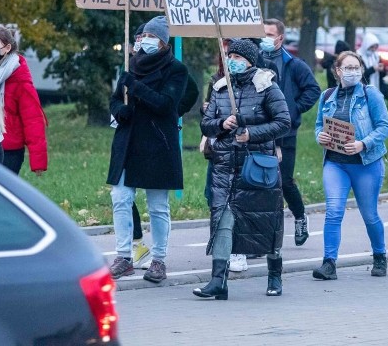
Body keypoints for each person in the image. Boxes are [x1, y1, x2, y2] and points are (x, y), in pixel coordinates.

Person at [194, 39, 290, 299]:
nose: (232, 60)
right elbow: (206, 124)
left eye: (237, 56)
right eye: (229, 55)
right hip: (225, 168)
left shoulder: (267, 86)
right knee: (222, 223)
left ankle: (274, 275)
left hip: (257, 168)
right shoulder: (220, 88)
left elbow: (283, 122)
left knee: (264, 221)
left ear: (250, 60)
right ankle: (218, 281)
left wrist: (251, 132)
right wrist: (222, 124)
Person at [107, 16, 187, 284]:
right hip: (128, 142)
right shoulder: (131, 65)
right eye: (143, 37)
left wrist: (136, 87)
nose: (145, 41)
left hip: (157, 145)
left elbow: (166, 105)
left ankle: (159, 260)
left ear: (164, 43)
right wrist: (120, 111)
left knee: (157, 206)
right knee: (120, 197)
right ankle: (123, 255)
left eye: (152, 37)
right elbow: (116, 98)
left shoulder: (176, 70)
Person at [313, 51, 388, 280]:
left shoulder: (371, 95)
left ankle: (380, 256)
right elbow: (319, 125)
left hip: (366, 164)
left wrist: (363, 144)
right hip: (336, 163)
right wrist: (320, 136)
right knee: (334, 212)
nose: (353, 72)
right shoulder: (327, 96)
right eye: (347, 68)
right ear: (338, 71)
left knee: (369, 215)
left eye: (356, 67)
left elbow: (384, 127)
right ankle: (329, 263)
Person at [260, 18, 321, 247]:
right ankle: (265, 235)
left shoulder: (293, 64)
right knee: (262, 183)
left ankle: (299, 216)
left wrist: (293, 109)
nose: (265, 37)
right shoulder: (256, 59)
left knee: (283, 181)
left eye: (269, 34)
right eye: (262, 33)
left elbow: (313, 90)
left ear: (280, 38)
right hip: (260, 132)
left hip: (285, 134)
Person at [0, 26, 48, 176]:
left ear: (7, 48)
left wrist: (38, 161)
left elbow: (33, 120)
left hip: (9, 150)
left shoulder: (20, 79)